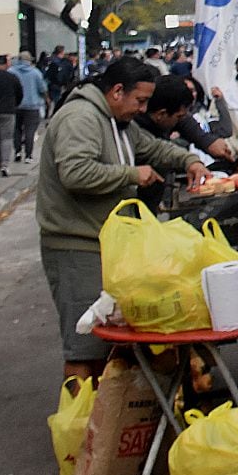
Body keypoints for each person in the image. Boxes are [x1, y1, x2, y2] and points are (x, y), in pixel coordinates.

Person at [36, 57, 208, 381]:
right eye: (140, 100)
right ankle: (79, 425)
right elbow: (74, 172)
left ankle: (109, 422)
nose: (143, 109)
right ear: (117, 91)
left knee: (111, 344)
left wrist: (190, 160)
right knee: (84, 347)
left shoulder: (120, 123)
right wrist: (132, 174)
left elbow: (154, 149)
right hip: (77, 246)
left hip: (110, 245)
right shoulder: (81, 118)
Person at [135, 76, 237, 166]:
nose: (181, 120)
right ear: (161, 114)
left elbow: (185, 121)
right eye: (178, 117)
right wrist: (190, 161)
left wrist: (207, 141)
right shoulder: (136, 130)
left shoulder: (166, 114)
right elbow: (160, 152)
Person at [12, 52, 49, 163]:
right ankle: (28, 155)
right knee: (30, 131)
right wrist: (46, 99)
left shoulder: (11, 72)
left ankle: (17, 152)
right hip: (32, 106)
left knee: (16, 129)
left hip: (16, 105)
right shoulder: (35, 72)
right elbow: (42, 88)